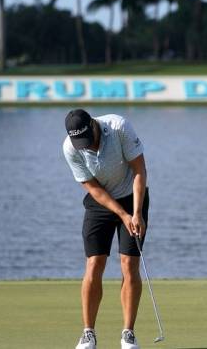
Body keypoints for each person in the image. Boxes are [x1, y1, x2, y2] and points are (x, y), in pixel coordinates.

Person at [63, 109, 150, 349]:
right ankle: (88, 333)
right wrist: (121, 215)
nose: (86, 147)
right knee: (94, 263)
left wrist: (136, 213)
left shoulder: (119, 126)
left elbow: (139, 170)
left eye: (88, 141)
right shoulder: (71, 148)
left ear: (93, 125)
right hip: (100, 201)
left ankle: (128, 333)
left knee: (129, 264)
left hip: (133, 196)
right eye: (81, 144)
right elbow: (93, 189)